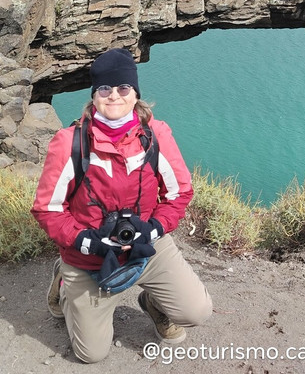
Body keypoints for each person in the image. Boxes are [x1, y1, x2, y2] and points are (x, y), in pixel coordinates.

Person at [31, 48, 212, 363]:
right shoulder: (70, 143)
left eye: (123, 88)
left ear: (135, 94)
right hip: (89, 257)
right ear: (94, 95)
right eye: (105, 88)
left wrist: (154, 228)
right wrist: (84, 240)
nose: (114, 95)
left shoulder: (156, 135)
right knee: (91, 353)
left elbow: (180, 192)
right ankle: (63, 280)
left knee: (196, 312)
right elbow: (47, 209)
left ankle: (155, 303)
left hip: (145, 245)